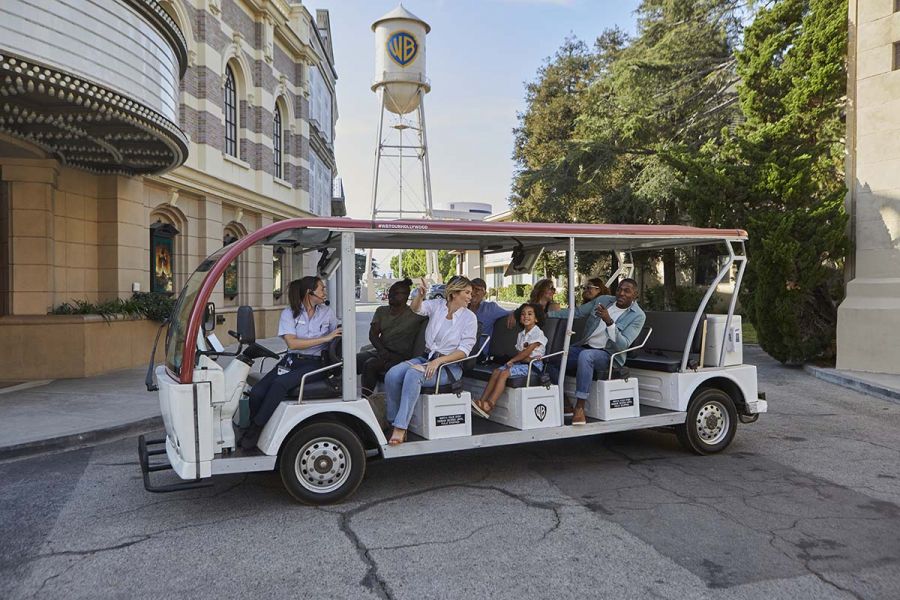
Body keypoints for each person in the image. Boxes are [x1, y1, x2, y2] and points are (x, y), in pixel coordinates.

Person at [241, 276, 341, 449]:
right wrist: (325, 338)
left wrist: (334, 337)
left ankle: (255, 430)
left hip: (316, 363)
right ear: (310, 293)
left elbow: (338, 335)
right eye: (322, 289)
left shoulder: (327, 313)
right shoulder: (289, 313)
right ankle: (256, 425)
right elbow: (292, 344)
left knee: (280, 384)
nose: (324, 292)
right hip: (291, 361)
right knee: (257, 392)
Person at [383, 276, 477, 445]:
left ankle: (400, 427)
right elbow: (416, 309)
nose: (471, 297)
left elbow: (464, 351)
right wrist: (420, 296)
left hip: (449, 367)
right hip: (426, 358)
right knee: (392, 374)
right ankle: (392, 421)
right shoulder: (437, 305)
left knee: (413, 375)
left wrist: (438, 362)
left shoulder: (469, 318)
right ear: (454, 293)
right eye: (467, 292)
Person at [548, 278, 645, 425]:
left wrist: (609, 321)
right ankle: (565, 402)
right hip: (586, 346)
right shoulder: (604, 300)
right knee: (554, 356)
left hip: (609, 355)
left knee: (586, 356)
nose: (621, 293)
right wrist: (546, 315)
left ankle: (580, 407)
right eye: (619, 289)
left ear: (635, 295)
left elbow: (623, 346)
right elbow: (577, 312)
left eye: (627, 291)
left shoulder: (638, 315)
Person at [471, 303, 547, 418]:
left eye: (530, 314)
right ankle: (482, 401)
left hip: (533, 366)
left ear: (536, 319)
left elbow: (526, 352)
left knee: (504, 373)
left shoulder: (537, 333)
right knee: (496, 372)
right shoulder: (521, 334)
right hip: (522, 363)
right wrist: (516, 361)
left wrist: (513, 360)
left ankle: (490, 405)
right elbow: (521, 354)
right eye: (523, 314)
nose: (526, 316)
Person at [356, 278, 426, 397]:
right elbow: (373, 334)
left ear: (406, 296)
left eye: (396, 293)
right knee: (352, 360)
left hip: (400, 357)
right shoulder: (381, 311)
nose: (391, 295)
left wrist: (420, 296)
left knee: (370, 365)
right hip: (380, 351)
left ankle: (366, 399)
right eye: (390, 292)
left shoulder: (415, 314)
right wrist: (382, 350)